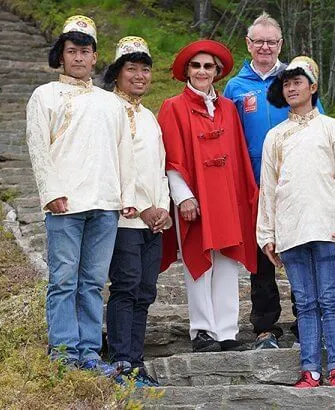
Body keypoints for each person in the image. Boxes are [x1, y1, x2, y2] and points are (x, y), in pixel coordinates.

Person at [25, 15, 136, 377]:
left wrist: (127, 195)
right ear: (61, 55)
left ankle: (89, 351)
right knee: (63, 280)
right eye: (71, 50)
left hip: (105, 203)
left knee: (92, 282)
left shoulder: (111, 103)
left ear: (95, 56)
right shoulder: (45, 96)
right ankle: (62, 351)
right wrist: (50, 192)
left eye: (84, 51)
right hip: (65, 204)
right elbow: (38, 147)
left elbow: (125, 152)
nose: (78, 58)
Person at [223, 12, 324, 349]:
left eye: (271, 41)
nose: (265, 46)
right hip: (254, 185)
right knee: (260, 261)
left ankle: (305, 322)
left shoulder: (294, 79)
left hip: (297, 186)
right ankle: (265, 326)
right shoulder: (235, 87)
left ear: (280, 45)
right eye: (259, 41)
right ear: (248, 45)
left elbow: (318, 125)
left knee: (299, 252)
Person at [157, 39, 258, 353]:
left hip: (225, 195)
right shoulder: (173, 106)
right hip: (194, 196)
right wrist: (183, 196)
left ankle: (226, 331)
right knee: (197, 258)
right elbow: (170, 156)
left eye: (208, 66)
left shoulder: (228, 108)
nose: (202, 71)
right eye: (196, 65)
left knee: (226, 259)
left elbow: (237, 155)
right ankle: (202, 330)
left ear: (217, 73)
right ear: (188, 70)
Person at [258, 56, 335, 388]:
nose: (291, 87)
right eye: (286, 83)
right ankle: (310, 369)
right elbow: (268, 189)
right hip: (291, 229)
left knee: (330, 298)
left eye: (298, 81)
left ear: (313, 87)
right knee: (306, 302)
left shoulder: (333, 128)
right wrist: (267, 234)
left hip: (327, 226)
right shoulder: (275, 136)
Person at [102, 36, 171, 387]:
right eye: (132, 68)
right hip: (122, 217)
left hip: (153, 222)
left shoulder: (149, 117)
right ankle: (120, 362)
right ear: (117, 72)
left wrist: (163, 208)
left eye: (145, 69)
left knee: (145, 291)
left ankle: (136, 361)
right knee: (125, 286)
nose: (140, 76)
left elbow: (158, 167)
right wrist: (140, 207)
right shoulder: (106, 109)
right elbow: (111, 166)